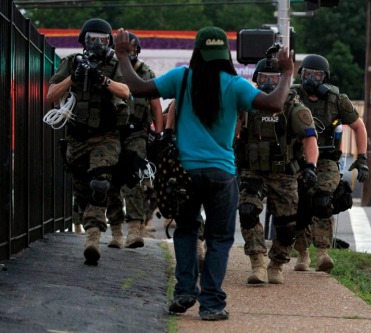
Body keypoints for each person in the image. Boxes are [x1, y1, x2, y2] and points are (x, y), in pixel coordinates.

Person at [114, 26, 296, 321]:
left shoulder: (181, 78)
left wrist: (122, 55)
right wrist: (287, 73)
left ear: (197, 52)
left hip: (184, 172)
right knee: (219, 238)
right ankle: (211, 303)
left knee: (186, 231)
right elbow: (274, 104)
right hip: (222, 174)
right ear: (225, 54)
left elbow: (139, 88)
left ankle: (184, 291)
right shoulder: (235, 84)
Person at [46, 18, 130, 265]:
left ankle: (93, 238)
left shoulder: (114, 64)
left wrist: (102, 79)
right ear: (84, 40)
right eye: (92, 39)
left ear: (109, 42)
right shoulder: (71, 62)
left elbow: (126, 91)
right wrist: (73, 77)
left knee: (100, 184)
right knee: (82, 193)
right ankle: (90, 230)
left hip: (106, 136)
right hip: (77, 139)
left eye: (102, 40)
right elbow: (51, 95)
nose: (97, 44)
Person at [237, 58, 319, 285]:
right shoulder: (246, 105)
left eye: (275, 78)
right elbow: (233, 133)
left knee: (286, 225)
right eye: (264, 78)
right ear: (256, 79)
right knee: (247, 211)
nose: (269, 83)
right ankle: (257, 262)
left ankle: (277, 264)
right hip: (253, 172)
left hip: (284, 174)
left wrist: (311, 167)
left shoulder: (294, 107)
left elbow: (310, 140)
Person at [290, 54, 369, 272]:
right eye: (307, 74)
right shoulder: (293, 96)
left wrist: (362, 159)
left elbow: (359, 127)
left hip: (326, 160)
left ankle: (323, 253)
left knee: (323, 201)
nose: (311, 79)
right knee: (298, 205)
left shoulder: (337, 99)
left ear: (325, 78)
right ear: (301, 75)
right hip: (298, 159)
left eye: (317, 75)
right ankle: (303, 252)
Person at [105, 32, 163, 249]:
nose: (128, 53)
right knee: (110, 181)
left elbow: (156, 106)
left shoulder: (146, 73)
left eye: (131, 49)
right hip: (111, 133)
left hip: (137, 132)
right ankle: (116, 230)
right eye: (124, 48)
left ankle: (135, 229)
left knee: (135, 180)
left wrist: (158, 136)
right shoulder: (111, 69)